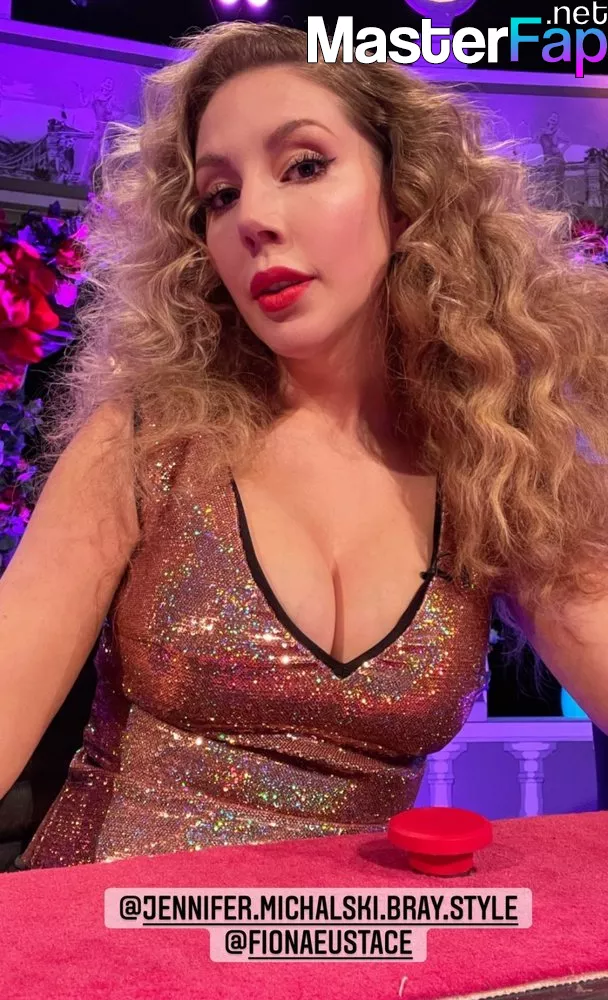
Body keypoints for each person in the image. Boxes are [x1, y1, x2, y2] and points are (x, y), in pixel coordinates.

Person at [2, 21, 608, 871]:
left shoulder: (496, 459)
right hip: (112, 927)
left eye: (304, 166)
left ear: (406, 196)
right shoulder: (144, 442)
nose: (252, 217)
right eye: (220, 195)